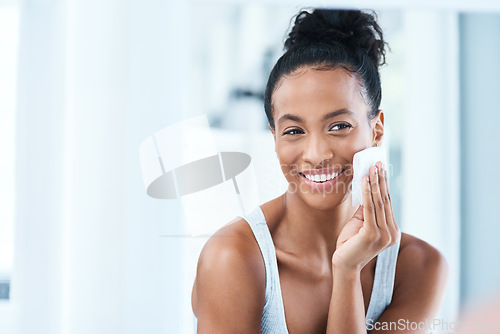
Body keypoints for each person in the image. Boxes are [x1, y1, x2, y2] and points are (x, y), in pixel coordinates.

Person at [191, 8, 448, 333]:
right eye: (294, 131)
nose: (315, 154)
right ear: (274, 138)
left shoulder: (418, 266)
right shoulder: (232, 257)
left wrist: (346, 271)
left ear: (377, 130)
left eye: (339, 125)